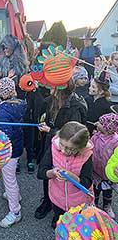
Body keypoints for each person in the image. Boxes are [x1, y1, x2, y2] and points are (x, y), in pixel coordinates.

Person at [35, 78, 88, 220]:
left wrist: (51, 130)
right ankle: (47, 201)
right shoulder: (52, 101)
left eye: (53, 88)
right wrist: (44, 123)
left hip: (66, 148)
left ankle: (63, 208)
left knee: (65, 179)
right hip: (51, 143)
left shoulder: (75, 107)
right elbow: (47, 118)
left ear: (61, 92)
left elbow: (73, 135)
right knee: (48, 173)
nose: (50, 90)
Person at [38, 121, 93, 228]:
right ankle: (57, 219)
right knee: (59, 220)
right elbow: (41, 172)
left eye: (70, 149)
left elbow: (87, 182)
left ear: (81, 148)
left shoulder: (87, 155)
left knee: (76, 228)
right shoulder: (54, 147)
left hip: (78, 203)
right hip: (57, 197)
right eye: (62, 145)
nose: (63, 151)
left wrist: (72, 177)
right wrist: (52, 173)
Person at [0, 77, 27, 228]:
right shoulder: (19, 104)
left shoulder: (2, 111)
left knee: (9, 179)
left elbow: (2, 137)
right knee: (11, 176)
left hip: (8, 151)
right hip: (17, 146)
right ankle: (15, 195)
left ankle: (15, 212)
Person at [91, 113, 118, 218]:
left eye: (101, 124)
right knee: (95, 190)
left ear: (108, 128)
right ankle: (95, 206)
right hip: (96, 171)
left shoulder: (116, 141)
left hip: (108, 174)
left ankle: (107, 206)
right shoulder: (96, 136)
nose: (97, 124)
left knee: (108, 191)